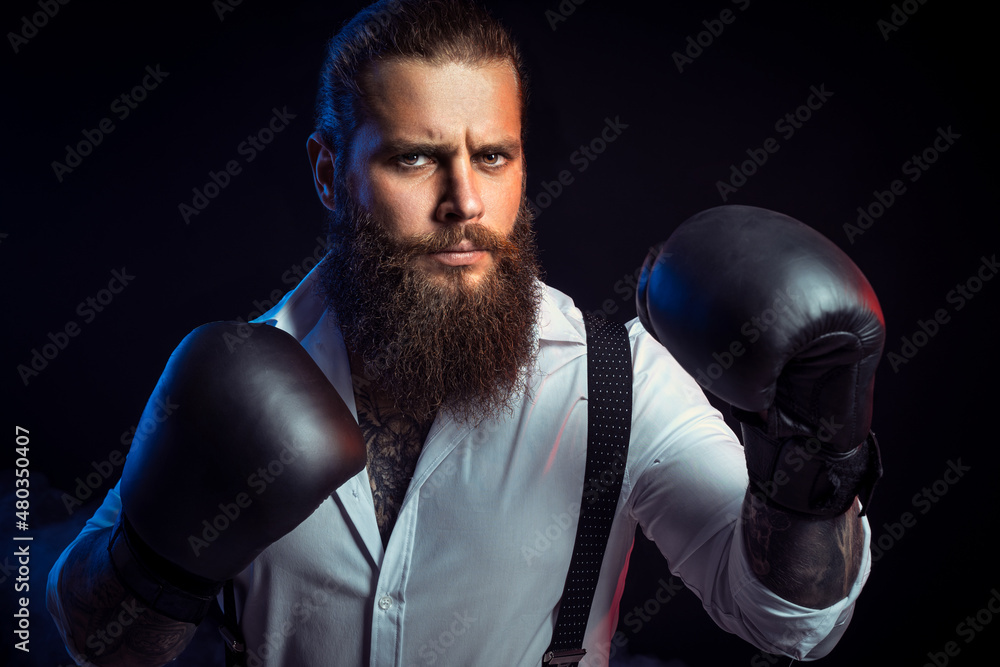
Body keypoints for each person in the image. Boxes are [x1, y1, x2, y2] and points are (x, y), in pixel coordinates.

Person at [47, 1, 884, 665]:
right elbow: (90, 639)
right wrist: (160, 562)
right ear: (329, 174)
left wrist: (812, 458)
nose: (466, 203)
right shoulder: (239, 379)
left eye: (493, 156)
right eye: (414, 158)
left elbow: (790, 625)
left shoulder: (619, 381)